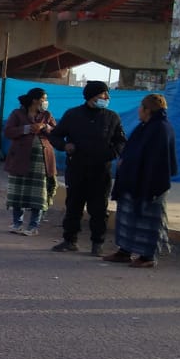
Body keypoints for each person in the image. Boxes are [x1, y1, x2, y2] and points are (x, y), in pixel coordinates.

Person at [48, 80, 127, 256]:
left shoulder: (112, 117)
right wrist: (65, 146)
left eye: (107, 94)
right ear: (92, 96)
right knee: (73, 206)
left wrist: (113, 153)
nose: (107, 97)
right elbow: (55, 136)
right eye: (103, 94)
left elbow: (120, 141)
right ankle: (70, 240)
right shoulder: (73, 115)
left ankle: (97, 244)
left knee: (99, 209)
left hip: (101, 171)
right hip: (77, 168)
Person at [104, 94, 177, 268]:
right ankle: (124, 251)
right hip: (133, 181)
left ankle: (147, 257)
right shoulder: (145, 127)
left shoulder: (160, 129)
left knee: (147, 220)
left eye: (141, 107)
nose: (139, 110)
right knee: (128, 217)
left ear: (148, 110)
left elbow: (155, 159)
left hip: (149, 183)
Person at [3, 87, 58, 237]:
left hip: (41, 161)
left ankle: (33, 225)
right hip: (20, 158)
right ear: (35, 100)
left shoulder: (47, 115)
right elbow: (8, 132)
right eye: (44, 99)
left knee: (38, 194)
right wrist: (27, 128)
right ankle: (17, 223)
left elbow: (57, 131)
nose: (46, 102)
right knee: (18, 192)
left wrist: (45, 127)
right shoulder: (17, 114)